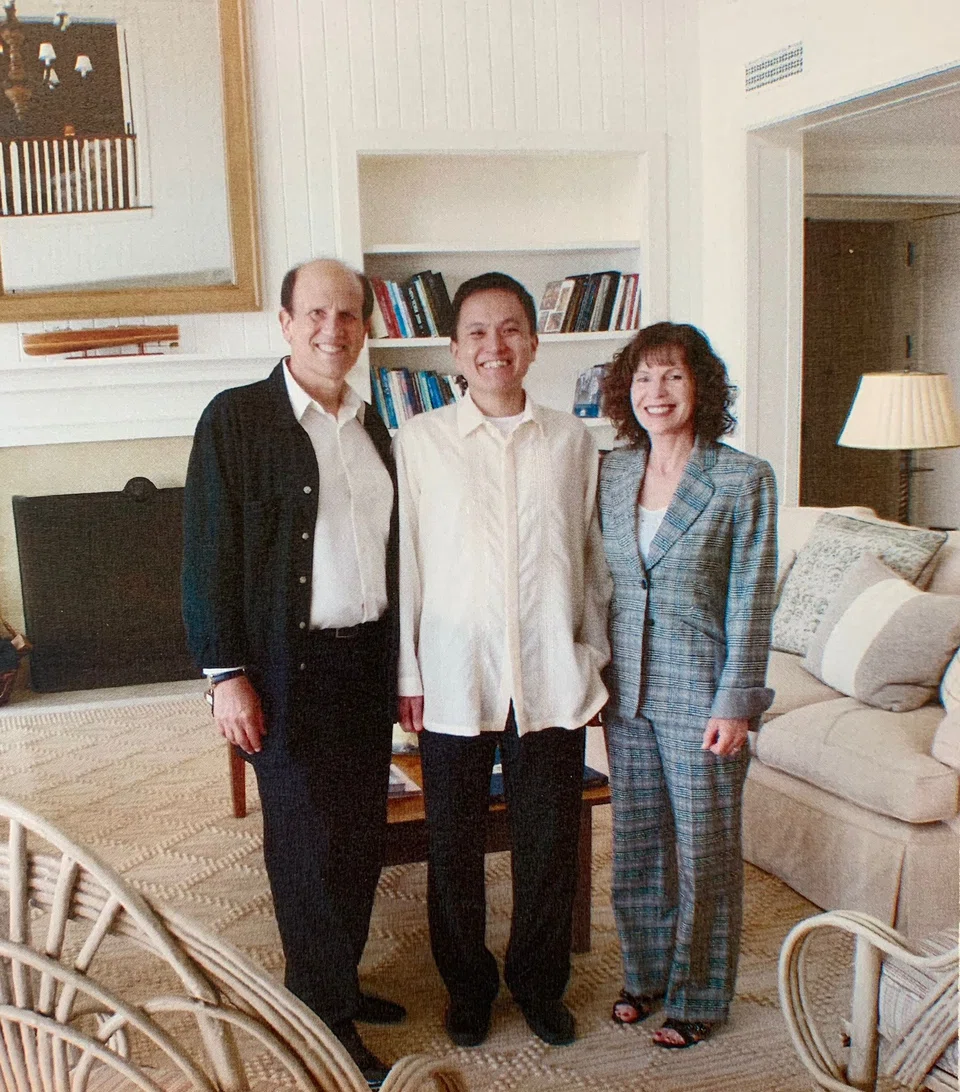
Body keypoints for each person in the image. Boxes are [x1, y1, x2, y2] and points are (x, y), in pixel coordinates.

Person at [181, 258, 402, 1089]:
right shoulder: (236, 419)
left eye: (347, 315)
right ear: (284, 322)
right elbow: (206, 553)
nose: (331, 330)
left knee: (359, 836)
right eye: (315, 313)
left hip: (365, 663)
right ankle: (325, 1020)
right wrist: (225, 674)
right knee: (306, 847)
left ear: (365, 327)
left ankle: (335, 979)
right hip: (283, 670)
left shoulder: (376, 427)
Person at [395, 272, 611, 1049]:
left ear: (534, 343)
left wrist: (591, 655)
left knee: (549, 845)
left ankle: (539, 984)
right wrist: (408, 675)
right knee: (452, 845)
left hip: (550, 674)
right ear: (455, 349)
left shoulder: (572, 441)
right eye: (478, 332)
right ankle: (468, 988)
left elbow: (590, 558)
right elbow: (406, 564)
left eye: (511, 328)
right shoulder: (419, 442)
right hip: (454, 675)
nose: (496, 345)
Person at [598, 321, 777, 1048]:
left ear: (700, 385)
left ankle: (698, 998)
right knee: (637, 843)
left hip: (703, 693)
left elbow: (751, 600)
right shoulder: (612, 472)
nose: (657, 391)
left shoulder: (742, 478)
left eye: (673, 375)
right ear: (626, 391)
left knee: (703, 850)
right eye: (644, 377)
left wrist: (737, 704)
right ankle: (644, 976)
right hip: (627, 692)